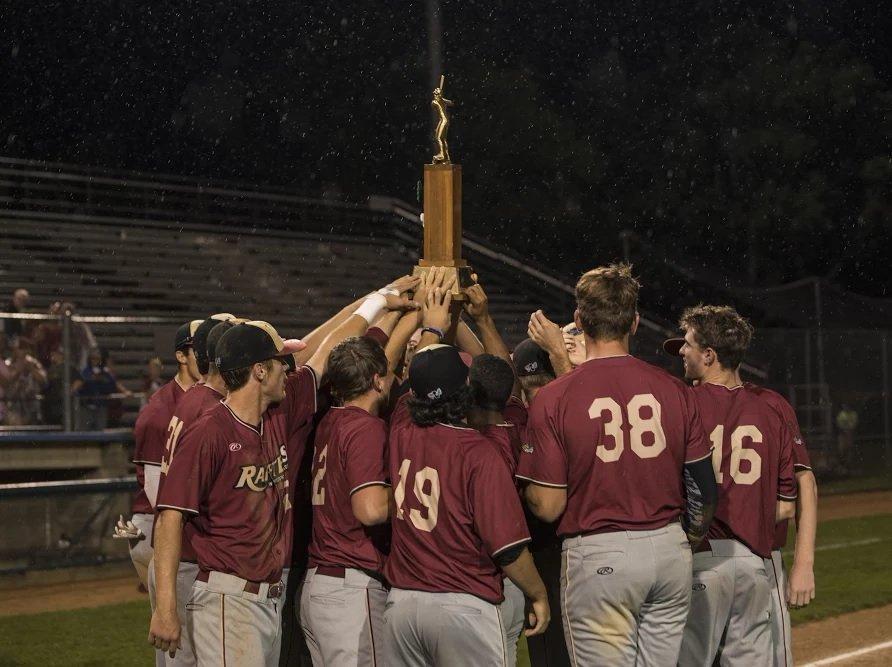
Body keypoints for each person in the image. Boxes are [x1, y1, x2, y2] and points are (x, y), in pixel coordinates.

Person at [151, 283, 420, 665]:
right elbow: (169, 517)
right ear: (260, 370)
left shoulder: (278, 410)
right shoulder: (210, 430)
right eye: (280, 362)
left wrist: (382, 304)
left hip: (267, 596)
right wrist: (165, 608)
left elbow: (327, 352)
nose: (288, 367)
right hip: (228, 596)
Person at [517, 263, 718, 667]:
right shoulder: (674, 390)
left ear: (578, 320)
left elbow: (549, 505)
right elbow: (705, 489)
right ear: (635, 322)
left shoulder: (554, 398)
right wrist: (689, 538)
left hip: (599, 553)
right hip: (668, 551)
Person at [382, 285, 550, 667]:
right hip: (463, 601)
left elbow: (418, 374)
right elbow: (507, 548)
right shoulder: (484, 448)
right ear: (465, 392)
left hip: (403, 602)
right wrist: (538, 592)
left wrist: (435, 324)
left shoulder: (402, 427)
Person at [664, 305, 797, 666]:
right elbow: (786, 506)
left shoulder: (681, 401)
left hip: (701, 555)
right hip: (753, 564)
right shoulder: (772, 407)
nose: (681, 351)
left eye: (688, 344)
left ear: (709, 355)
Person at [115, 321, 201, 593]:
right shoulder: (160, 412)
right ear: (180, 356)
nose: (209, 356)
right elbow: (157, 495)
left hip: (181, 519)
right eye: (200, 350)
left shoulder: (207, 398)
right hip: (157, 523)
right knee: (181, 624)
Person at [72, 347, 132, 430]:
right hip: (87, 407)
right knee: (84, 431)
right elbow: (77, 384)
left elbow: (115, 383)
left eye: (97, 359)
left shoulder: (105, 372)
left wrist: (125, 391)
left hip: (101, 407)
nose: (95, 361)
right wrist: (76, 388)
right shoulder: (85, 372)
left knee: (100, 431)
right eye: (93, 358)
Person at [2, 337, 47, 425]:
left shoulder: (34, 363)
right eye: (20, 348)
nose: (22, 351)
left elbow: (43, 381)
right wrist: (18, 372)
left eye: (25, 348)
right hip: (13, 404)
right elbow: (6, 384)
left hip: (31, 404)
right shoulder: (8, 363)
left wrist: (31, 368)